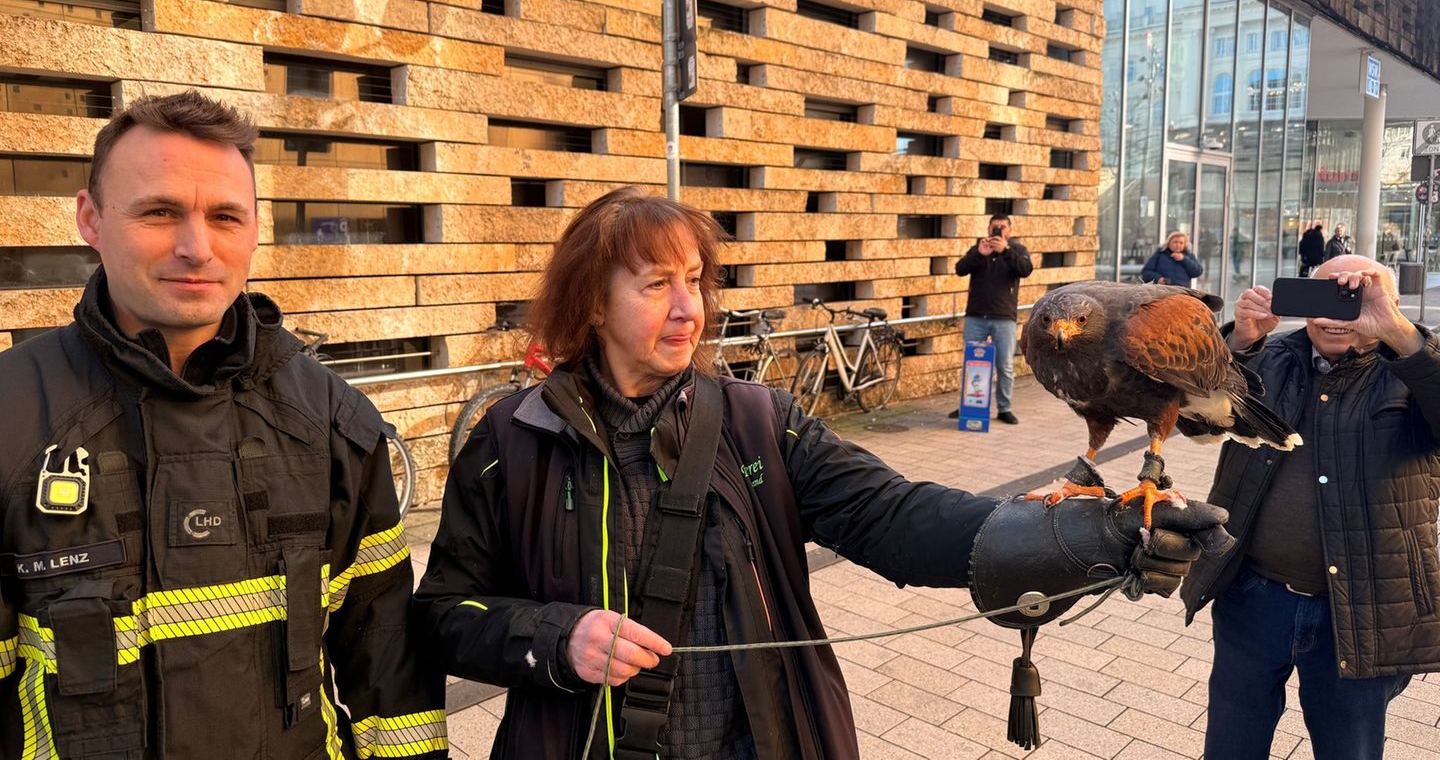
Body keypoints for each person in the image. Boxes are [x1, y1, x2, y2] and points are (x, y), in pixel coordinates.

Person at [415, 187, 1232, 760]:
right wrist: (557, 638)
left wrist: (1095, 529)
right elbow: (447, 613)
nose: (687, 308)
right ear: (592, 303)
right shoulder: (510, 439)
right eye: (656, 284)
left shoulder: (758, 422)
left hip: (761, 740)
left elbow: (897, 519)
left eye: (694, 280)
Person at [0, 92, 446, 759]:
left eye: (225, 217)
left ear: (256, 228)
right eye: (160, 212)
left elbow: (387, 675)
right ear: (90, 219)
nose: (196, 247)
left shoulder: (331, 422)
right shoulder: (12, 418)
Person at [1181, 255, 1440, 760]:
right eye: (1323, 296)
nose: (1335, 314)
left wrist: (1398, 331)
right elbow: (1195, 423)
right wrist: (1236, 344)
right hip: (1253, 597)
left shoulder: (1411, 369)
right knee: (1231, 745)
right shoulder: (1268, 358)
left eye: (1356, 298)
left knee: (1349, 750)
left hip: (1363, 608)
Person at [949, 214, 1032, 424]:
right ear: (988, 228)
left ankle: (1004, 408)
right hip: (976, 316)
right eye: (994, 227)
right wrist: (979, 254)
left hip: (1004, 317)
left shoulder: (1017, 250)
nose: (997, 231)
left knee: (1004, 365)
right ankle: (968, 406)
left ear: (1009, 231)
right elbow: (960, 269)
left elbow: (1026, 270)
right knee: (972, 363)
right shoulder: (979, 247)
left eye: (1002, 227)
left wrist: (1005, 251)